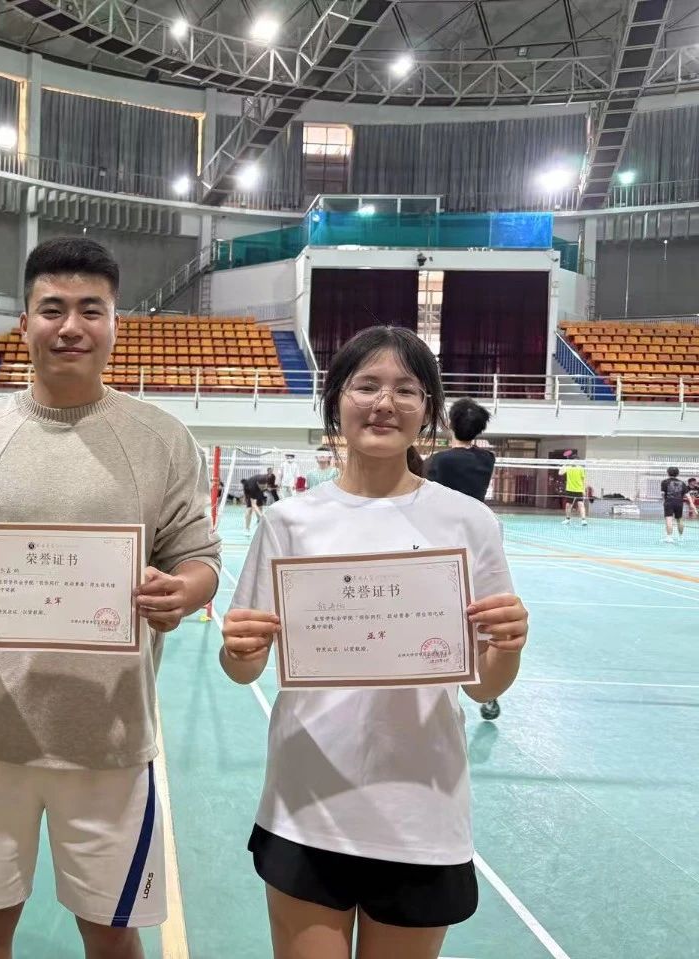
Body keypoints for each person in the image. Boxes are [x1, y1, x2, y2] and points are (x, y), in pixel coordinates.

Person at [0, 237, 221, 959]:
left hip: (109, 738)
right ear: (25, 324)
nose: (70, 325)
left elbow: (198, 556)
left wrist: (182, 590)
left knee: (112, 934)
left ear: (115, 324)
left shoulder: (163, 438)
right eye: (52, 309)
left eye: (90, 309)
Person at [221, 326, 528, 959]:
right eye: (366, 386)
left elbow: (484, 685)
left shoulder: (468, 522)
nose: (384, 403)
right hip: (308, 803)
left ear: (428, 409)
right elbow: (243, 669)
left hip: (422, 810)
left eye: (406, 390)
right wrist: (240, 650)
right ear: (336, 399)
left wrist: (510, 646)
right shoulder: (288, 521)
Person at [425, 398, 502, 720]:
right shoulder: (487, 459)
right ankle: (489, 694)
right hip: (479, 541)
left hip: (443, 545)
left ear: (448, 424)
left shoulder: (438, 461)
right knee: (482, 621)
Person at [558, 450, 589, 526]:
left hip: (579, 490)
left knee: (581, 504)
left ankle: (583, 520)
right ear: (571, 461)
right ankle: (567, 519)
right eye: (574, 461)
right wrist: (565, 464)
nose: (575, 462)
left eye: (577, 461)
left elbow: (584, 480)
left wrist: (584, 490)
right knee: (568, 505)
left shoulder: (581, 468)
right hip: (570, 489)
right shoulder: (568, 467)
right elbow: (560, 473)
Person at [662, 466, 689, 545]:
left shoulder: (665, 482)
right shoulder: (682, 483)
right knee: (679, 519)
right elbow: (687, 495)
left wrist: (664, 501)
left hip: (669, 502)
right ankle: (681, 537)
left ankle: (669, 538)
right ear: (678, 473)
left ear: (668, 473)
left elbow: (663, 494)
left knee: (669, 519)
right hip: (679, 502)